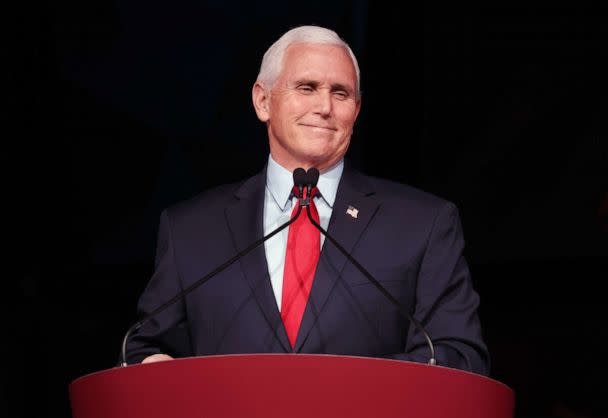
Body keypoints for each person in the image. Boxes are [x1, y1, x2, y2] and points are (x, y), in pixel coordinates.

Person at [126, 25, 490, 375]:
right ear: (262, 101)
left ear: (357, 111)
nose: (325, 107)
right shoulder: (190, 228)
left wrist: (340, 385)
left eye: (341, 93)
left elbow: (458, 357)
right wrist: (155, 368)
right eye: (307, 87)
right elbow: (143, 349)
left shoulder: (422, 224)